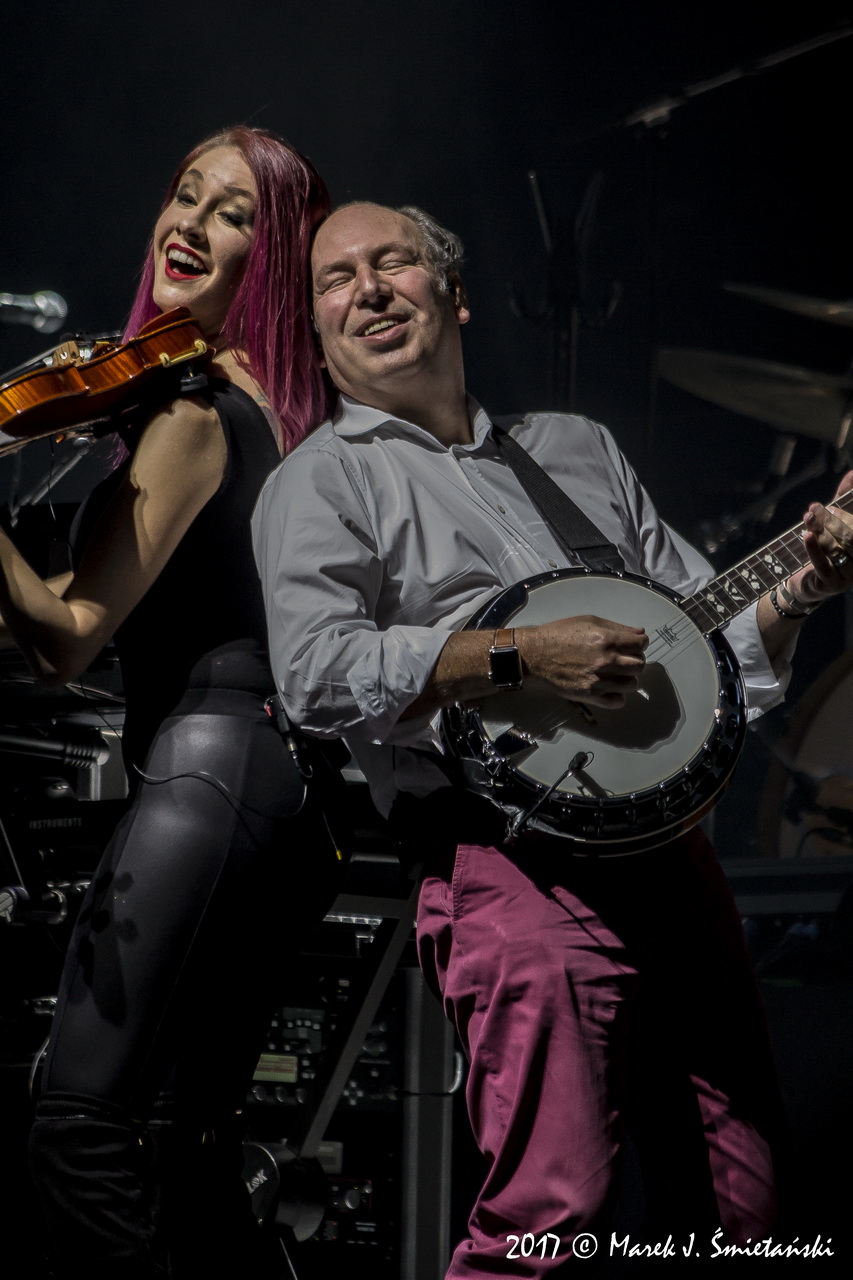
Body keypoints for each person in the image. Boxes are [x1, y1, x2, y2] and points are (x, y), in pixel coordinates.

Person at [252, 201, 853, 1276]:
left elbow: (702, 640)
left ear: (455, 294)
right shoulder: (321, 478)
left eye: (393, 261)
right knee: (550, 1214)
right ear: (318, 329)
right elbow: (316, 674)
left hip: (671, 861)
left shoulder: (575, 447)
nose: (368, 289)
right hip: (509, 868)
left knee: (746, 1211)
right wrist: (518, 654)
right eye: (335, 280)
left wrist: (803, 581)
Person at [0, 127, 335, 1278]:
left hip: (208, 769)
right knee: (191, 1154)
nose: (188, 221)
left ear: (274, 256)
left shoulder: (192, 417)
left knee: (79, 1127)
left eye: (232, 212)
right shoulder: (285, 419)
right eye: (185, 194)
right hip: (283, 797)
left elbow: (65, 638)